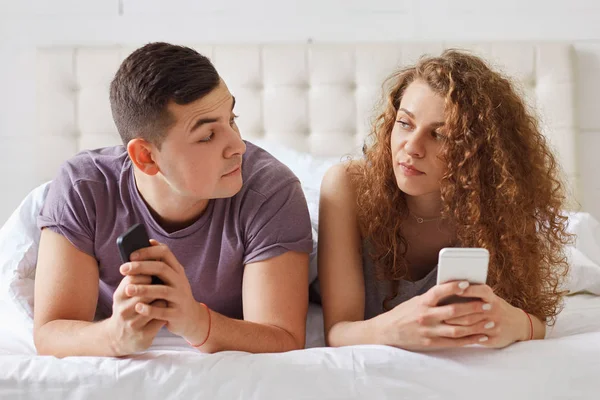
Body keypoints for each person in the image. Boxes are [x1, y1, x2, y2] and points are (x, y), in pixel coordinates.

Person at [33, 42, 313, 357]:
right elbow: (51, 332)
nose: (238, 146)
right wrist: (115, 337)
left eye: (231, 119)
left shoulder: (271, 191)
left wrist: (193, 320)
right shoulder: (83, 187)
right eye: (207, 136)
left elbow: (284, 338)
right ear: (146, 156)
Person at [317, 49, 573, 350]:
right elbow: (337, 333)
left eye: (440, 135)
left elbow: (533, 320)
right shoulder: (348, 185)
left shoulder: (502, 204)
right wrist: (396, 328)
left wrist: (514, 322)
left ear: (478, 153)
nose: (411, 147)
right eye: (405, 123)